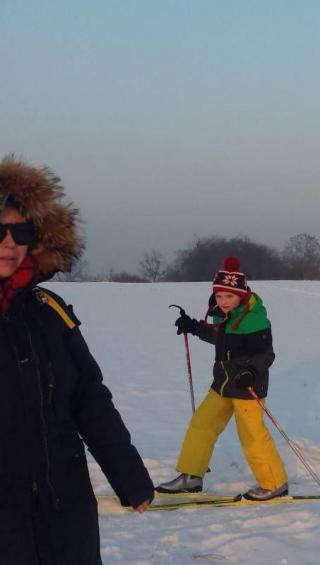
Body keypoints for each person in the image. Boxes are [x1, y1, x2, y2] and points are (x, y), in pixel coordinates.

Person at [0, 157, 154, 564]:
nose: (9, 243)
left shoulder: (50, 312)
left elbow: (89, 397)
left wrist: (127, 473)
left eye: (22, 232)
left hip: (65, 509)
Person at [156, 256, 288, 500]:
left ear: (241, 295)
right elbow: (220, 339)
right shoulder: (223, 315)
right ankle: (191, 476)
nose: (223, 301)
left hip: (247, 386)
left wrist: (251, 371)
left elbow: (265, 354)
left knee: (251, 435)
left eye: (229, 296)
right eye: (219, 296)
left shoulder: (254, 319)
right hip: (223, 383)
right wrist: (194, 326)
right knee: (202, 423)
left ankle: (274, 483)